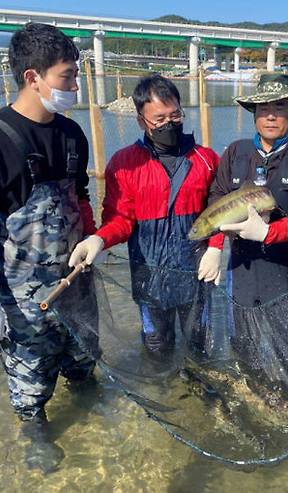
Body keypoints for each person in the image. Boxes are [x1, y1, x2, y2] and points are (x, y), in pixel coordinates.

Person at [0, 23, 96, 470]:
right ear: (33, 77)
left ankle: (91, 407)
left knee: (84, 357)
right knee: (30, 377)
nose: (74, 85)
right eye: (67, 76)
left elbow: (81, 196)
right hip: (19, 294)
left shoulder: (71, 135)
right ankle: (35, 432)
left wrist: (90, 237)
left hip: (75, 279)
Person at [69, 74, 220, 356]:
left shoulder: (206, 159)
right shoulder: (124, 163)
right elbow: (120, 219)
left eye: (175, 115)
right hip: (148, 275)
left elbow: (221, 213)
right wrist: (99, 239)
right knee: (156, 345)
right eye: (159, 119)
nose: (170, 123)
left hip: (196, 271)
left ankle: (201, 393)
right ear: (141, 121)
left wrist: (216, 248)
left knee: (199, 342)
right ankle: (163, 390)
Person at [201, 73, 288, 367]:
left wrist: (266, 233)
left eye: (280, 107)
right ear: (254, 114)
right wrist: (215, 247)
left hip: (283, 272)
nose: (270, 116)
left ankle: (287, 402)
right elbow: (216, 200)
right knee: (240, 343)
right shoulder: (235, 152)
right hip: (239, 270)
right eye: (263, 108)